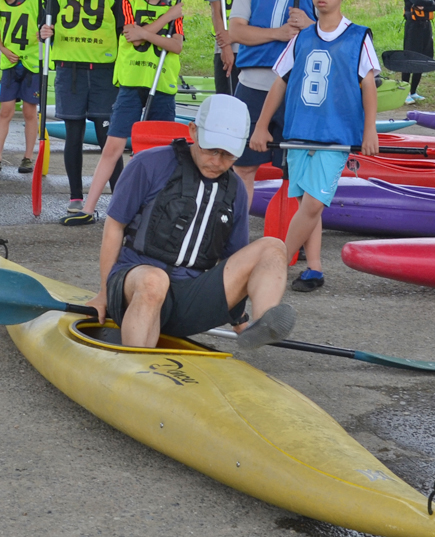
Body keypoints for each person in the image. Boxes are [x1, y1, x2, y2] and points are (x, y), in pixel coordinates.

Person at [85, 94, 295, 350]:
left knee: (273, 246)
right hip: (135, 286)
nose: (217, 162)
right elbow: (114, 228)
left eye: (228, 155)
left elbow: (236, 261)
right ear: (193, 131)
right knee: (155, 280)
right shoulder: (149, 164)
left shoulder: (236, 189)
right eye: (211, 150)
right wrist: (104, 294)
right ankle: (137, 368)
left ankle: (264, 322)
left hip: (190, 297)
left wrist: (239, 318)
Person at [250, 0, 380, 292]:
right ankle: (314, 269)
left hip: (335, 137)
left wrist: (370, 129)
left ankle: (273, 265)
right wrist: (261, 125)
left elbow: (368, 84)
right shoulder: (301, 39)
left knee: (312, 205)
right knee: (306, 207)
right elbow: (280, 82)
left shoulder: (358, 37)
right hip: (299, 132)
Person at [60, 0, 184, 225]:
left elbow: (176, 46)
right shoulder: (129, 2)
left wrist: (148, 30)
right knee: (112, 147)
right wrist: (166, 18)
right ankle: (88, 209)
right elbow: (132, 37)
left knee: (164, 153)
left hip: (163, 85)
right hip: (130, 84)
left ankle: (157, 208)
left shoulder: (176, 5)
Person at [229, 0, 315, 208]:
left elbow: (333, 33)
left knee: (297, 172)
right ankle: (237, 236)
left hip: (298, 90)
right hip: (252, 86)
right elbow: (236, 31)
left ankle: (295, 238)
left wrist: (309, 25)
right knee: (243, 167)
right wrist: (278, 33)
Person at [42, 0, 124, 212]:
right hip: (69, 69)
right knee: (74, 134)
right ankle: (75, 196)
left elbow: (123, 30)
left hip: (104, 71)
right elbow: (44, 28)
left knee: (107, 137)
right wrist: (43, 32)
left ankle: (120, 198)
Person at [0, 0, 44, 174]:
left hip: (32, 64)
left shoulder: (35, 4)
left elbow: (46, 30)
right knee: (5, 111)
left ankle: (28, 158)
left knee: (29, 112)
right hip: (10, 65)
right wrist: (4, 50)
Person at [402, 0, 435, 105]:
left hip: (426, 27)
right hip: (412, 27)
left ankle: (413, 91)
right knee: (410, 59)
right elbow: (417, 1)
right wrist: (428, 3)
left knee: (422, 58)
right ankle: (405, 93)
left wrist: (424, 7)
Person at [210, 0, 239, 95]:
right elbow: (216, 11)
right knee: (224, 97)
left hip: (249, 48)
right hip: (225, 49)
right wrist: (225, 47)